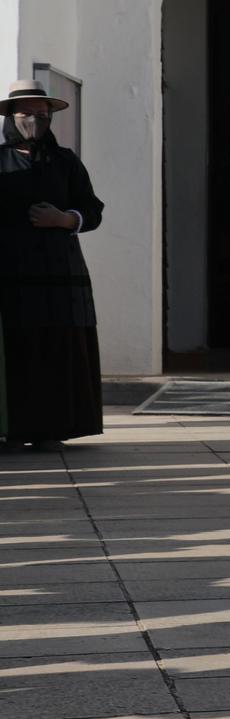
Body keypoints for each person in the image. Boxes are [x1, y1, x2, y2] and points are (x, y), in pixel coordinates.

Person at [0, 79, 103, 450]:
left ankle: (51, 428)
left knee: (56, 347)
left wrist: (64, 219)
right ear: (11, 117)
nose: (34, 120)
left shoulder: (65, 161)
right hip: (11, 275)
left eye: (41, 115)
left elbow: (92, 210)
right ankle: (13, 428)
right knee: (17, 349)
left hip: (60, 276)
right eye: (26, 113)